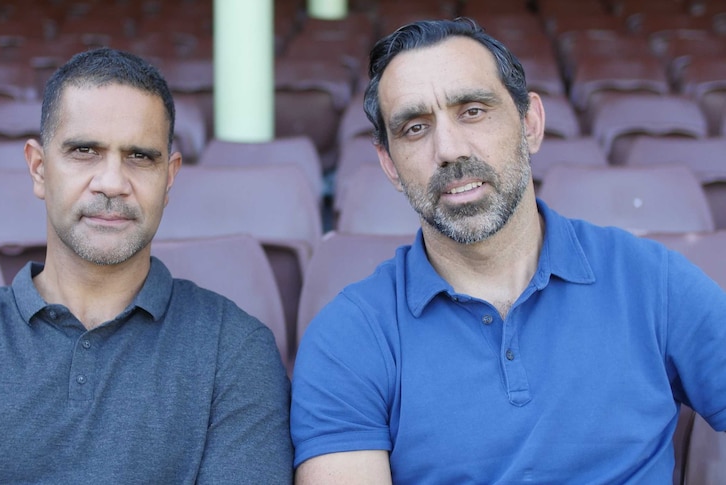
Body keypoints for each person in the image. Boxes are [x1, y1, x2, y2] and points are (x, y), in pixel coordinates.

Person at [290, 18, 726, 484]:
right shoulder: (349, 336)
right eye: (415, 128)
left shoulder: (649, 280)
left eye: (473, 111)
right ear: (389, 165)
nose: (449, 149)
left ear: (530, 123)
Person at [0, 48, 293, 483]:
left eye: (139, 156)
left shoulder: (236, 350)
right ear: (38, 168)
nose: (111, 182)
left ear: (169, 178)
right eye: (85, 150)